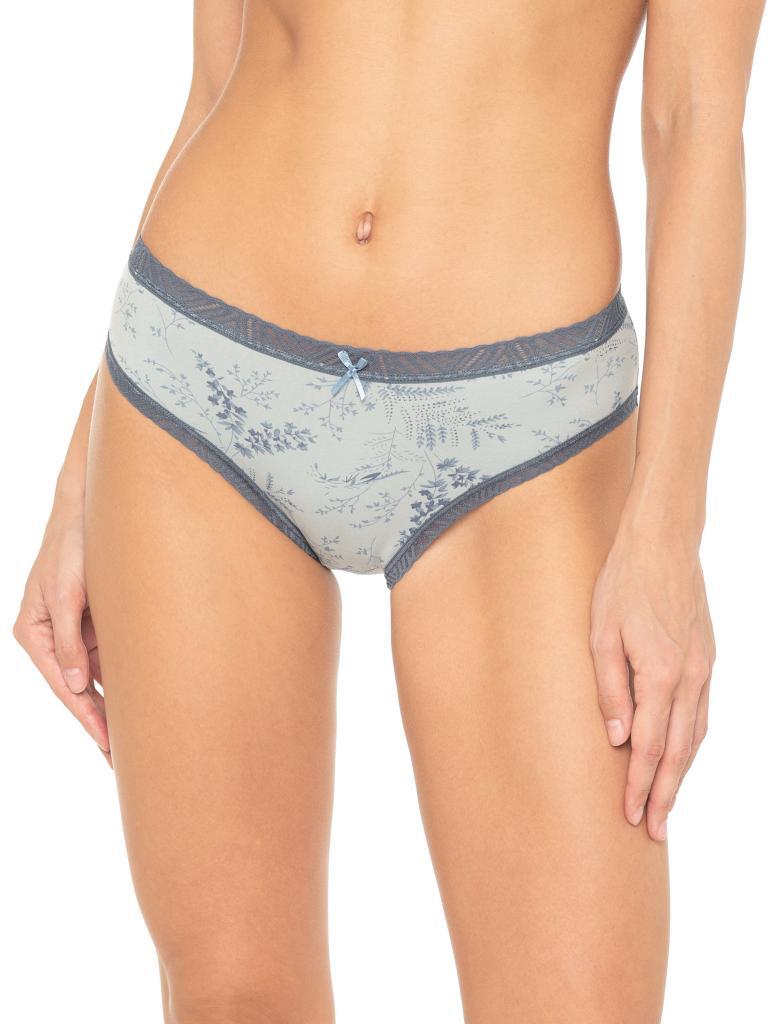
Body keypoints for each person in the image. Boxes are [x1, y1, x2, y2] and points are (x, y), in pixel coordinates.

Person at [13, 2, 766, 1021]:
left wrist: (669, 534)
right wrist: (80, 473)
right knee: (234, 1001)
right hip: (201, 379)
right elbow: (220, 71)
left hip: (525, 427)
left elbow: (692, 118)